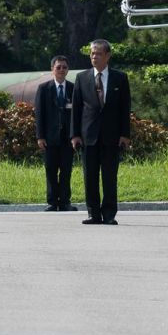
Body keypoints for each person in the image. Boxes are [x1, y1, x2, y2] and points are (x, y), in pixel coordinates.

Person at [71, 39, 131, 226]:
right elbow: (77, 108)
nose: (94, 57)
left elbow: (124, 108)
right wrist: (75, 134)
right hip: (88, 136)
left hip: (111, 136)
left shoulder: (120, 78)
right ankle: (93, 213)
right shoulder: (82, 78)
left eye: (98, 54)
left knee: (109, 176)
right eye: (92, 54)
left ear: (107, 56)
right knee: (90, 176)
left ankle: (109, 214)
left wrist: (125, 134)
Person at [34, 55, 76, 212]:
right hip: (49, 138)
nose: (61, 70)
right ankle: (52, 202)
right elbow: (39, 115)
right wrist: (40, 136)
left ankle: (65, 202)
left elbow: (77, 114)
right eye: (58, 67)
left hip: (68, 138)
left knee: (66, 171)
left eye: (64, 67)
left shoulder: (73, 88)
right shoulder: (44, 89)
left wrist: (76, 135)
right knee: (51, 170)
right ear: (52, 69)